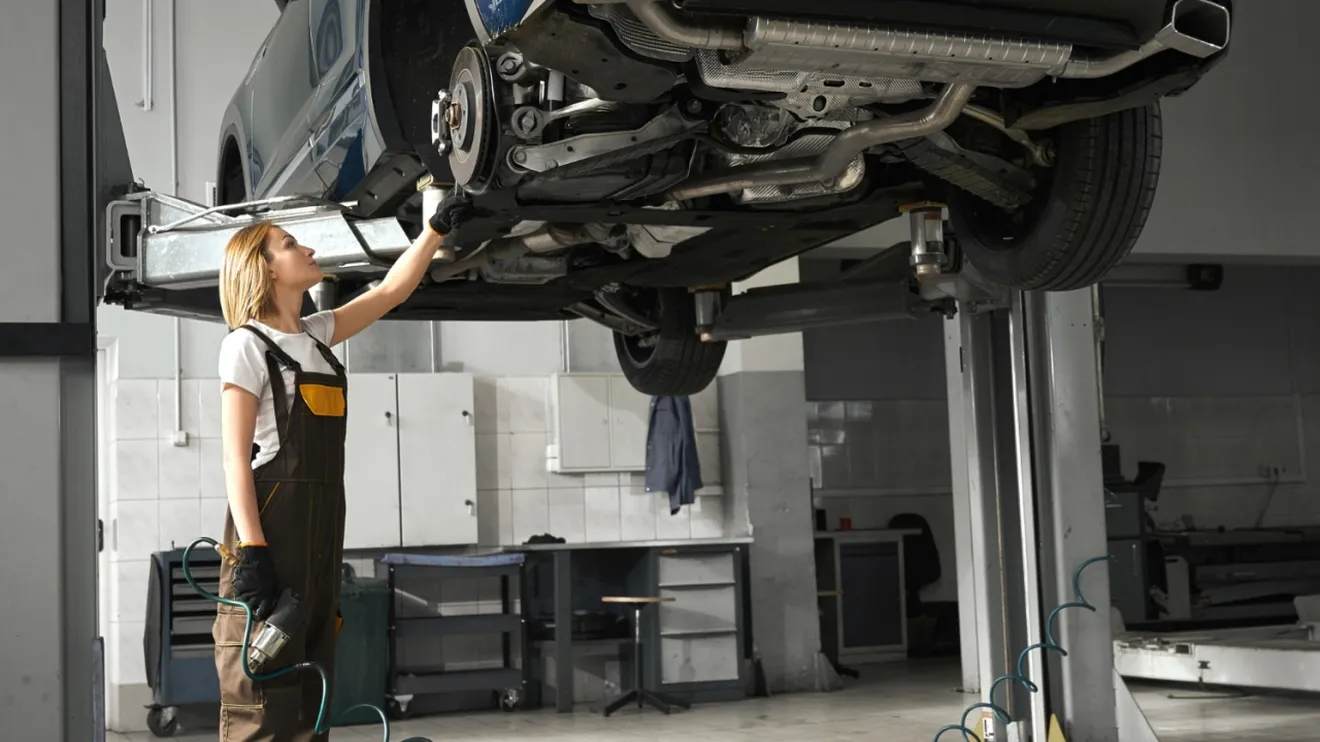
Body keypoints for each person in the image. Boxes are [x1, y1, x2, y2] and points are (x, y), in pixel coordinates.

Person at [211, 190, 471, 741]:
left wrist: (434, 231)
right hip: (271, 532)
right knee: (262, 679)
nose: (306, 249)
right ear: (264, 268)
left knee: (313, 671)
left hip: (322, 526)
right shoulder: (246, 346)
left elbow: (392, 290)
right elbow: (236, 457)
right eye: (289, 244)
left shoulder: (316, 337)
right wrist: (254, 553)